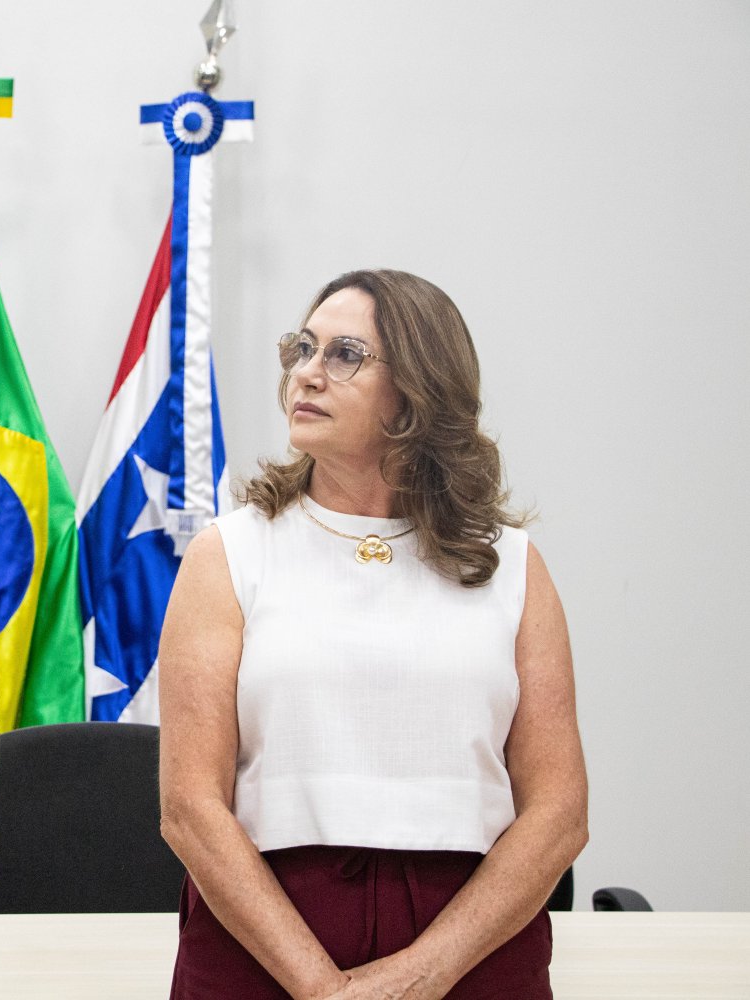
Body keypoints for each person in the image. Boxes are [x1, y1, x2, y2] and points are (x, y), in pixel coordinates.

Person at [158, 269, 587, 999]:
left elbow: (559, 814)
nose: (307, 373)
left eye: (344, 355)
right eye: (302, 348)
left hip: (471, 939)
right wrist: (323, 990)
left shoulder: (512, 565)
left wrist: (422, 974)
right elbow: (190, 810)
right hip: (262, 933)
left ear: (417, 391)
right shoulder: (229, 554)